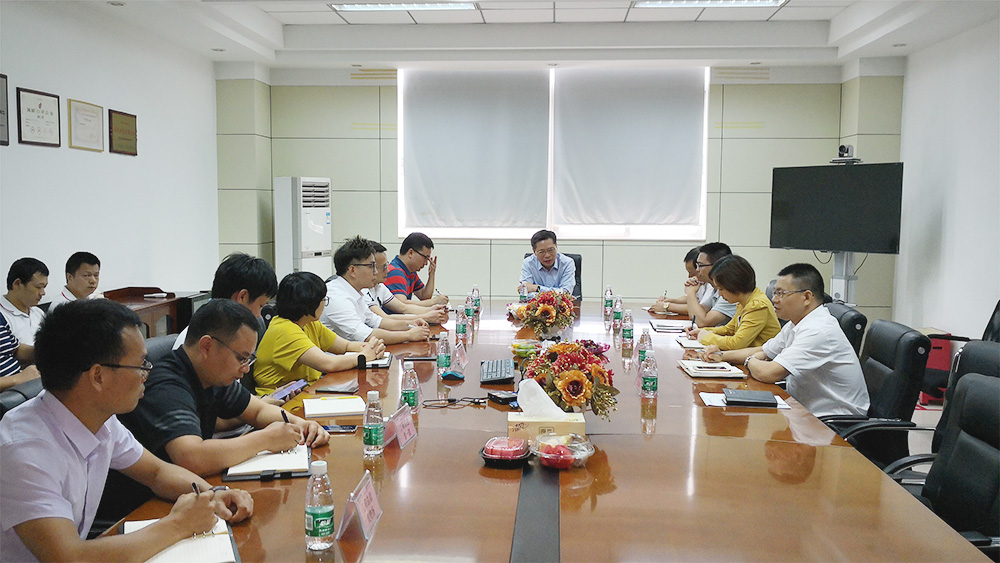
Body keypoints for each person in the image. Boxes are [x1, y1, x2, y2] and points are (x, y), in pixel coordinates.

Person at [0, 299, 253, 562]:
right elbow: (70, 557)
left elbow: (157, 473)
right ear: (98, 376)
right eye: (141, 365)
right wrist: (179, 525)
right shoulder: (24, 450)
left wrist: (213, 494)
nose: (147, 374)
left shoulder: (100, 419)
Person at [118, 299, 328, 476]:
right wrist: (265, 439)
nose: (246, 368)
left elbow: (258, 410)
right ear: (207, 346)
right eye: (241, 358)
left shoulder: (212, 375)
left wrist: (302, 425)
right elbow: (191, 457)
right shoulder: (167, 385)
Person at [694, 263, 870, 417]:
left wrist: (749, 360)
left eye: (781, 293)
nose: (774, 299)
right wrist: (721, 356)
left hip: (833, 422)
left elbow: (768, 373)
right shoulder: (797, 323)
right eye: (775, 293)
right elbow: (764, 351)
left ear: (807, 297)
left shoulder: (818, 331)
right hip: (803, 409)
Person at [253, 272, 385, 395]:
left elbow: (346, 346)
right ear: (309, 303)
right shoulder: (284, 330)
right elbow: (329, 364)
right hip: (280, 398)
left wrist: (371, 348)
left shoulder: (309, 323)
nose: (324, 304)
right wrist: (364, 356)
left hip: (306, 389)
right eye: (323, 300)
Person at [323, 236, 431, 344]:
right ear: (352, 270)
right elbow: (366, 335)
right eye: (371, 266)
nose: (375, 272)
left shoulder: (356, 292)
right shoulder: (336, 297)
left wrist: (411, 324)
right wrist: (409, 335)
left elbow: (379, 322)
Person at [173, 253, 278, 350]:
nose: (258, 315)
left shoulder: (234, 333)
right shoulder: (195, 342)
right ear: (242, 297)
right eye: (260, 306)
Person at [685, 255, 780, 350]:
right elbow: (729, 329)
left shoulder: (757, 306)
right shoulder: (744, 301)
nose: (720, 294)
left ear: (733, 284)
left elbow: (736, 344)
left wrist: (705, 337)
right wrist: (701, 331)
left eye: (721, 289)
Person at [365, 242, 448, 325]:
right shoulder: (395, 272)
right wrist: (427, 315)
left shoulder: (380, 286)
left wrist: (432, 309)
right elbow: (384, 318)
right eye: (425, 257)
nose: (388, 270)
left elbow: (403, 307)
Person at [682, 242, 738, 327]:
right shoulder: (715, 289)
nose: (697, 270)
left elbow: (703, 322)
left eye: (700, 265)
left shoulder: (731, 291)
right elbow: (695, 315)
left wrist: (691, 292)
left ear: (716, 266)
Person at [385, 232, 447, 307]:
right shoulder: (395, 271)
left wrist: (432, 274)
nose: (426, 263)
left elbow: (424, 297)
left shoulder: (411, 272)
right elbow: (402, 304)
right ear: (410, 253)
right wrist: (434, 302)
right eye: (425, 258)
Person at [0, 258, 48, 345]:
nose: (43, 293)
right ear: (17, 284)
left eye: (44, 287)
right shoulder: (3, 316)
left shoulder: (38, 313)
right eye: (38, 287)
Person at [519, 229, 575, 296]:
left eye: (550, 250)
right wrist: (556, 293)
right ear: (534, 251)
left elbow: (566, 293)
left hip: (557, 304)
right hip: (537, 304)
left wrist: (537, 288)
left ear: (556, 246)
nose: (547, 255)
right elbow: (524, 292)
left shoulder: (567, 263)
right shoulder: (528, 263)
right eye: (541, 252)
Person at [651, 247, 707, 314]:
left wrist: (666, 306)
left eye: (692, 273)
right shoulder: (700, 282)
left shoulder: (711, 285)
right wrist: (672, 301)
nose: (689, 276)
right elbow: (694, 299)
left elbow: (700, 309)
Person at [0, 313, 39, 392]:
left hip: (20, 389)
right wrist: (18, 378)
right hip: (8, 395)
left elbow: (16, 349)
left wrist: (45, 350)